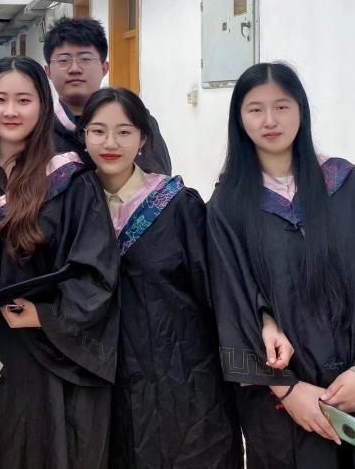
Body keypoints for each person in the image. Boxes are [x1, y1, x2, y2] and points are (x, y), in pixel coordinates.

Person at [208, 62, 355, 469]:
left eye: (282, 106)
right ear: (239, 118)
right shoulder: (227, 206)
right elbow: (230, 296)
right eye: (255, 109)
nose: (270, 120)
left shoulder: (350, 187)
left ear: (301, 110)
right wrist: (287, 390)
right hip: (286, 402)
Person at [0, 56, 120, 469]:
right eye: (0, 99)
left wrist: (47, 315)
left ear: (43, 105)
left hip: (43, 351)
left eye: (24, 100)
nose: (11, 111)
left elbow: (95, 268)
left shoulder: (72, 178)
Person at [77, 87, 242, 468]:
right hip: (102, 376)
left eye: (124, 131)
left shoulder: (176, 205)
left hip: (179, 373)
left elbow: (214, 293)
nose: (111, 143)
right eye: (98, 131)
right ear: (83, 137)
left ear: (143, 139)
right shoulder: (73, 204)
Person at [43, 17, 172, 174]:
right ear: (48, 71)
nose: (75, 68)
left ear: (104, 68)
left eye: (85, 58)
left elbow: (159, 179)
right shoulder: (39, 128)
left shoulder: (137, 119)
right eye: (64, 60)